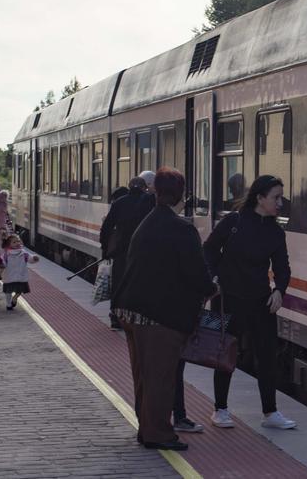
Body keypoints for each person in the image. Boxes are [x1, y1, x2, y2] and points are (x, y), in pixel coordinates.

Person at [110, 167, 216, 451]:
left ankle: (147, 429)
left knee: (144, 376)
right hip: (159, 316)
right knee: (161, 377)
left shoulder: (148, 223)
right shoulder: (182, 229)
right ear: (181, 195)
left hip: (132, 310)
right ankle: (158, 433)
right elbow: (196, 272)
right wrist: (211, 288)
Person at [204, 174, 296, 430]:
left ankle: (271, 412)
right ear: (260, 198)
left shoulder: (276, 232)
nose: (280, 203)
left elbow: (283, 267)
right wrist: (212, 279)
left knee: (267, 357)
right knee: (224, 353)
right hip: (226, 299)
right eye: (276, 198)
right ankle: (220, 409)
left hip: (261, 301)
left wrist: (279, 290)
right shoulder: (233, 222)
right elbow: (208, 250)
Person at [100, 173, 155, 330]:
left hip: (121, 251)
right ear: (145, 187)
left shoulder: (119, 203)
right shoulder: (150, 202)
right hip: (144, 252)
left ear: (129, 187)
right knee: (140, 284)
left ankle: (116, 319)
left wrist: (105, 249)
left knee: (119, 285)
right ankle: (138, 317)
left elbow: (106, 228)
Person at [0, 234, 39, 311]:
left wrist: (34, 258)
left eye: (18, 241)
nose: (17, 243)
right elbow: (3, 262)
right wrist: (1, 265)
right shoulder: (6, 254)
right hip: (9, 275)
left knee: (20, 290)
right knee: (8, 292)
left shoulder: (23, 253)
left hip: (20, 275)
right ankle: (8, 304)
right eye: (14, 242)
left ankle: (14, 298)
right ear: (9, 244)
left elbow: (30, 259)